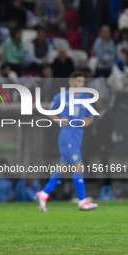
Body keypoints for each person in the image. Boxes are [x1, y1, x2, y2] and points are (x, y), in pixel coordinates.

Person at [36, 72, 99, 211]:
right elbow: (49, 112)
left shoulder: (86, 98)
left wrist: (86, 122)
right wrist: (59, 121)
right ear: (71, 83)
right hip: (66, 137)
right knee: (79, 167)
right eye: (78, 81)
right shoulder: (61, 97)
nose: (80, 84)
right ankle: (82, 201)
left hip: (77, 138)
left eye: (82, 82)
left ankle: (44, 193)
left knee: (63, 170)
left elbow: (91, 117)